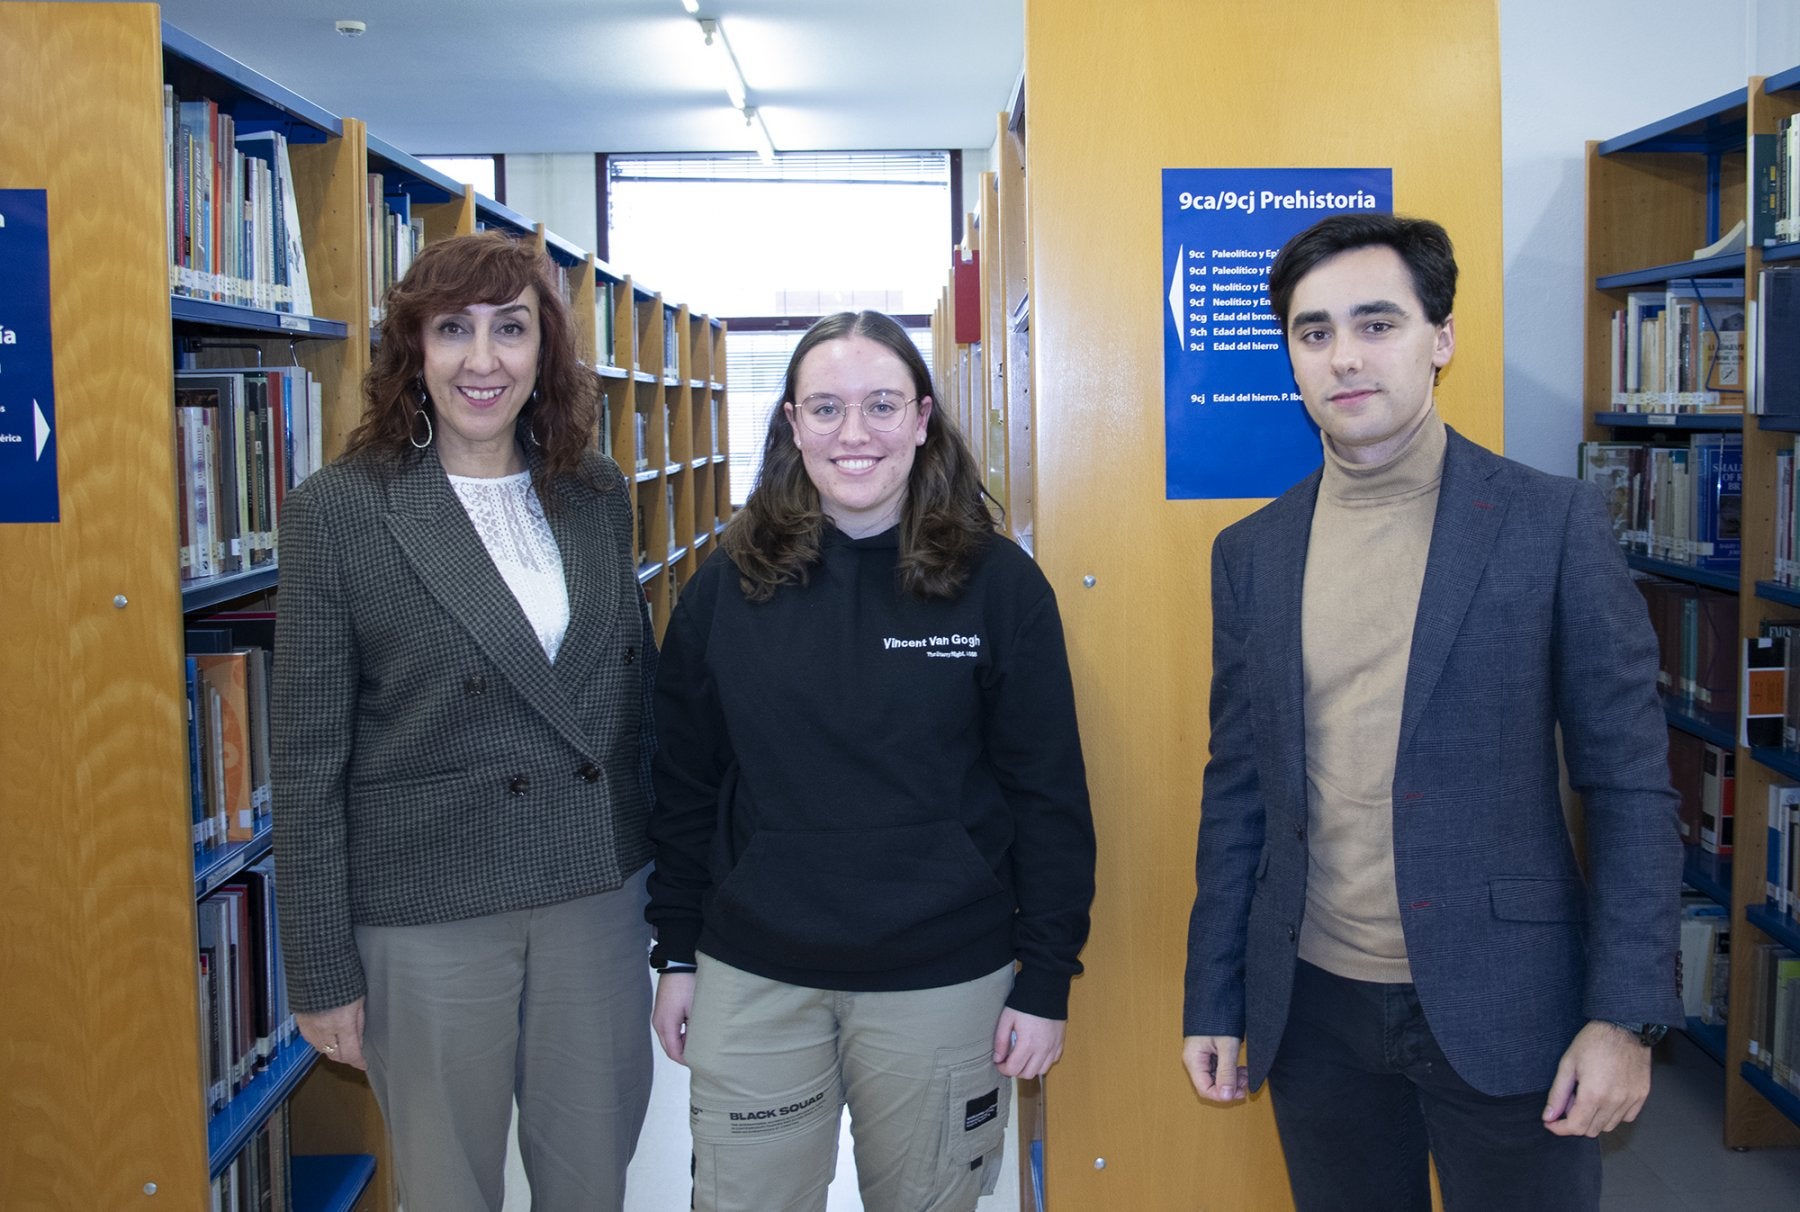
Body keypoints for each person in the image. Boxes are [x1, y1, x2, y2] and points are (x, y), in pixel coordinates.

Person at [1180, 213, 1684, 1211]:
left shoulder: (1551, 525)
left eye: (1377, 324)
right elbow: (1240, 787)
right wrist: (1217, 994)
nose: (1345, 357)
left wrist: (1624, 1017)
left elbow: (1627, 784)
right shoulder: (1254, 553)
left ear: (1440, 338)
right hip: (1315, 1011)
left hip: (1513, 1007)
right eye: (1313, 332)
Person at [645, 310, 1096, 1212]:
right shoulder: (725, 589)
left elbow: (1048, 796)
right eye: (825, 409)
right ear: (790, 423)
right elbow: (684, 786)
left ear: (924, 419)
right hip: (756, 975)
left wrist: (1046, 978)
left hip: (943, 977)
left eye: (882, 405)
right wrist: (678, 954)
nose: (854, 435)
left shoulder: (1000, 586)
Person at [271, 231, 656, 1212]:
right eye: (453, 331)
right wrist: (321, 970)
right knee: (448, 1191)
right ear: (414, 350)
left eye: (511, 330)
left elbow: (630, 703)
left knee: (591, 1182)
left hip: (595, 894)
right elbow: (309, 763)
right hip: (430, 908)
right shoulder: (341, 511)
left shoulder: (595, 492)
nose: (483, 360)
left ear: (545, 353)